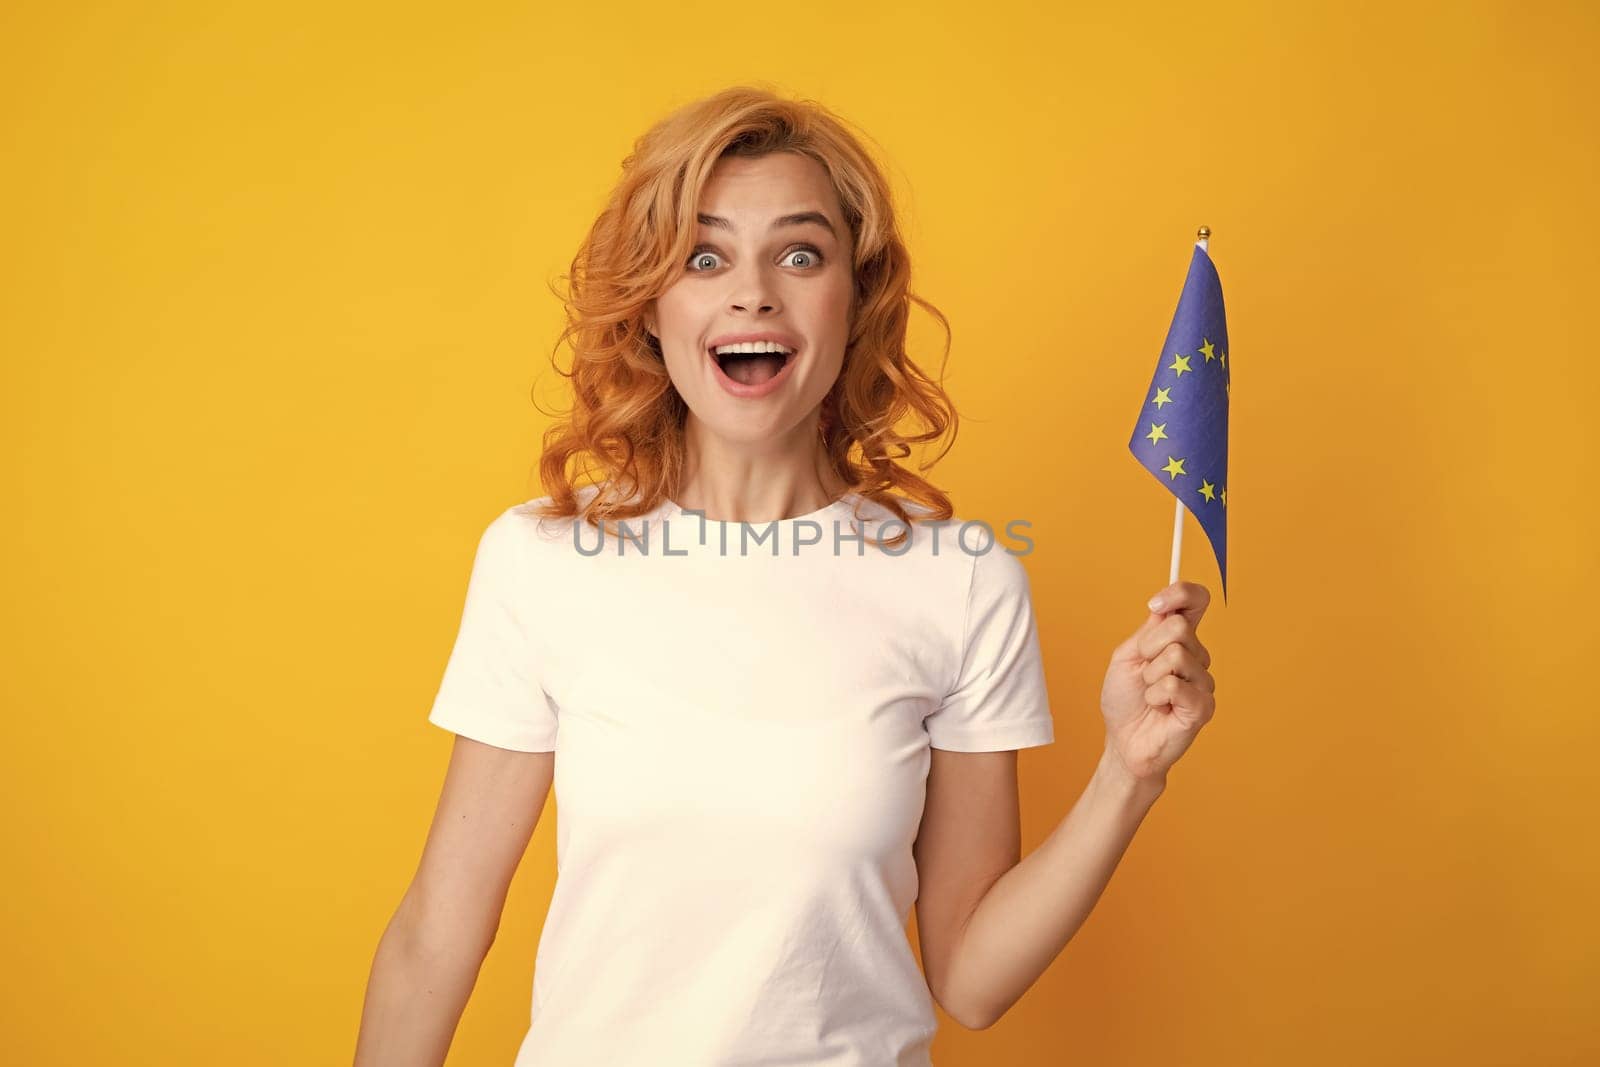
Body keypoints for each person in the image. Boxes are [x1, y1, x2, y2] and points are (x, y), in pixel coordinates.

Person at [353, 85, 1217, 1066]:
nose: (752, 291)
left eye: (799, 254)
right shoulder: (542, 559)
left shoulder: (963, 582)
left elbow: (970, 979)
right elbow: (436, 933)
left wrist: (1127, 773)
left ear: (855, 297)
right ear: (652, 305)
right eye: (703, 255)